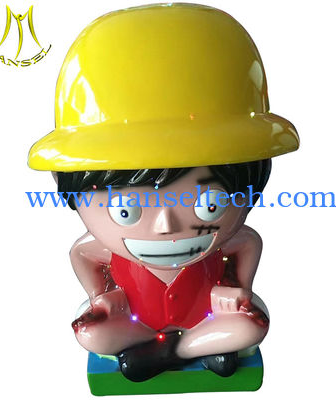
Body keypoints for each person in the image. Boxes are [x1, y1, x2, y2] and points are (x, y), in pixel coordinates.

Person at [28, 3, 299, 383]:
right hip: (137, 320)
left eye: (209, 204)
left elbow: (249, 243)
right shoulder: (99, 248)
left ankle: (172, 351)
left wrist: (239, 290)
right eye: (125, 210)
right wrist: (98, 296)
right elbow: (81, 254)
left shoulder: (231, 239)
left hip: (204, 317)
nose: (165, 225)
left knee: (252, 323)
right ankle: (194, 348)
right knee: (90, 333)